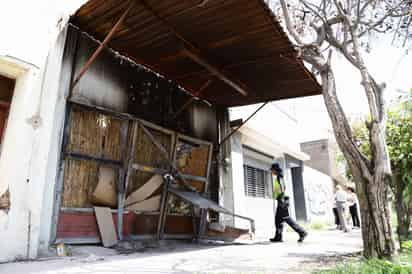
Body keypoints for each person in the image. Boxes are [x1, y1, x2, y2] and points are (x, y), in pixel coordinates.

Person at [269, 163, 308, 243]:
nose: (271, 171)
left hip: (282, 200)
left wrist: (281, 199)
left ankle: (302, 232)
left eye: (272, 170)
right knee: (278, 220)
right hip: (280, 199)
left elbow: (283, 187)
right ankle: (278, 237)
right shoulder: (278, 177)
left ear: (275, 170)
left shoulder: (280, 177)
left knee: (287, 218)